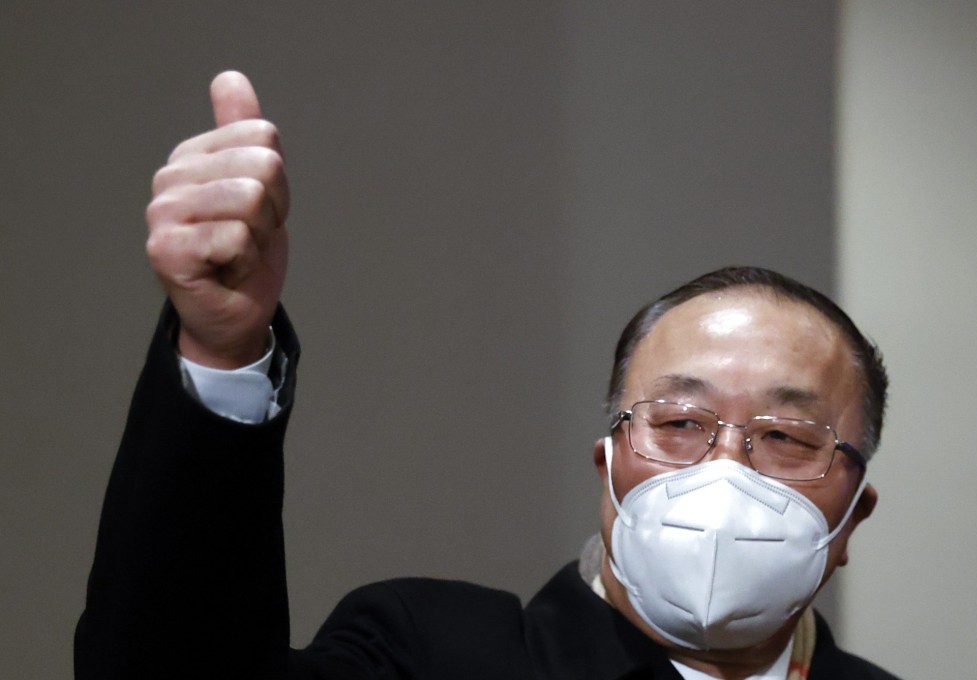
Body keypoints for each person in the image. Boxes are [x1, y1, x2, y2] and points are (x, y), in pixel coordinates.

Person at [75, 71, 899, 680]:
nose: (724, 469)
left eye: (786, 437)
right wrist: (222, 348)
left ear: (852, 517)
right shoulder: (428, 650)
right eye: (680, 423)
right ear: (608, 465)